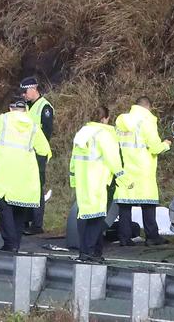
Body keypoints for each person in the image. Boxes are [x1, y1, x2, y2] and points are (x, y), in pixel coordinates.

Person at [0, 98, 52, 252]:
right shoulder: (33, 125)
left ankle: (9, 244)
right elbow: (44, 149)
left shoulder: (3, 120)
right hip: (23, 176)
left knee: (4, 208)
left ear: (10, 108)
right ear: (25, 109)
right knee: (19, 209)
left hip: (3, 174)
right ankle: (16, 244)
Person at [70, 106, 131, 262]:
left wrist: (73, 180)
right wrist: (125, 180)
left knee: (84, 216)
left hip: (83, 182)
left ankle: (92, 251)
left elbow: (73, 160)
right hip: (98, 180)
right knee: (97, 218)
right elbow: (113, 159)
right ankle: (89, 252)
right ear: (105, 118)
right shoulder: (104, 135)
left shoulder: (82, 133)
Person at [113, 96, 171, 247]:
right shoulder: (147, 121)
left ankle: (124, 238)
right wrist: (166, 143)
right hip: (143, 168)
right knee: (148, 203)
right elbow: (155, 147)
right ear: (148, 107)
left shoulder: (122, 121)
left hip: (125, 166)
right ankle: (152, 236)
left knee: (125, 205)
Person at [20, 75, 54, 236]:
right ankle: (25, 221)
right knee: (25, 186)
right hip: (26, 153)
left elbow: (46, 134)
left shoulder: (45, 107)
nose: (23, 95)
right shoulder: (27, 106)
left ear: (34, 89)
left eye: (25, 91)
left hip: (38, 153)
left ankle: (37, 224)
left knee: (37, 188)